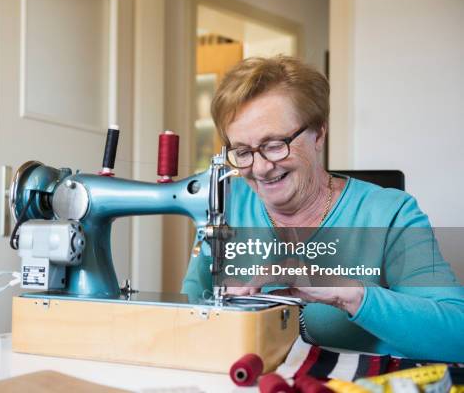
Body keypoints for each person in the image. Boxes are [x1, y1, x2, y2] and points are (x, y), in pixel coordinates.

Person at [182, 56, 464, 362]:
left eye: (275, 144)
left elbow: (457, 334)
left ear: (319, 133)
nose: (260, 168)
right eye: (243, 151)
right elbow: (187, 317)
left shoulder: (390, 214)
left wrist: (349, 294)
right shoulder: (223, 204)